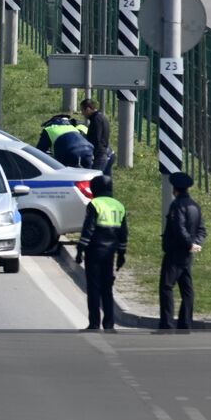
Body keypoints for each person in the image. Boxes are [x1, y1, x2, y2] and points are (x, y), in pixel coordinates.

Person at [76, 175, 127, 332]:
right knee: (107, 289)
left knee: (93, 288)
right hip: (110, 253)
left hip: (94, 251)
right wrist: (121, 254)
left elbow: (88, 228)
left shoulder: (94, 204)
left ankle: (94, 324)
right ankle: (109, 324)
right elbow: (123, 232)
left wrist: (80, 249)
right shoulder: (119, 206)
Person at [160, 171, 206, 331]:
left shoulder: (177, 205)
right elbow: (202, 229)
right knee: (187, 289)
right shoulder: (195, 206)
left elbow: (178, 228)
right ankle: (185, 323)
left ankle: (167, 324)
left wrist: (189, 244)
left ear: (175, 189)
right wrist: (196, 243)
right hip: (187, 255)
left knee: (166, 286)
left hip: (175, 252)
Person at [80, 98, 114, 174]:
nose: (82, 113)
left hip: (100, 155)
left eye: (82, 110)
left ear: (88, 109)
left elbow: (96, 139)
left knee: (94, 179)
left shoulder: (96, 120)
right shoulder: (102, 117)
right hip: (106, 152)